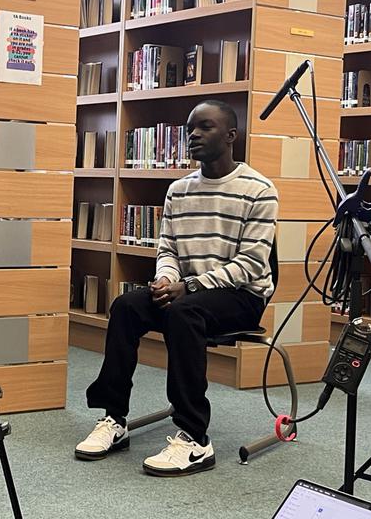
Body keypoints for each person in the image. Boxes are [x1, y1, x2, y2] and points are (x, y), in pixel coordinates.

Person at [74, 100, 279, 477]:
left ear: (231, 135)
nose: (194, 135)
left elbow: (251, 265)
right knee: (125, 305)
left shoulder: (260, 189)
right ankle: (113, 418)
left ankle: (194, 437)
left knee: (185, 312)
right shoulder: (179, 190)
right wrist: (167, 278)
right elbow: (167, 248)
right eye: (190, 129)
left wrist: (191, 286)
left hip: (240, 295)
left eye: (205, 127)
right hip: (187, 289)